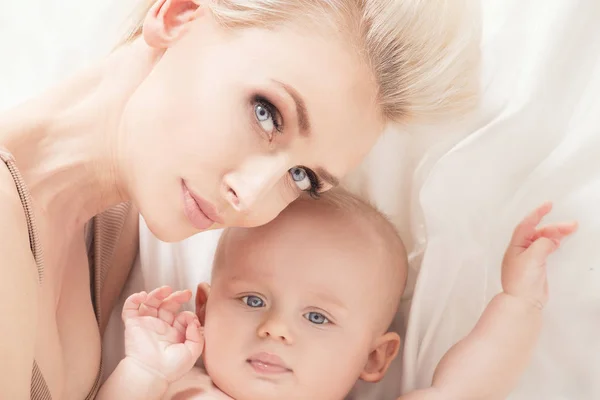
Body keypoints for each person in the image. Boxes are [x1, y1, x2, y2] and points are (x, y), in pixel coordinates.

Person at [0, 1, 479, 399]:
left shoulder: (111, 223)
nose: (249, 198)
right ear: (180, 15)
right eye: (267, 114)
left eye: (301, 177)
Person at [100, 192, 577, 400]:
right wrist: (143, 369)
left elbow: (463, 389)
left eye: (318, 317)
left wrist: (519, 302)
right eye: (251, 300)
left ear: (373, 356)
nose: (275, 328)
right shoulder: (178, 389)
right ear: (203, 310)